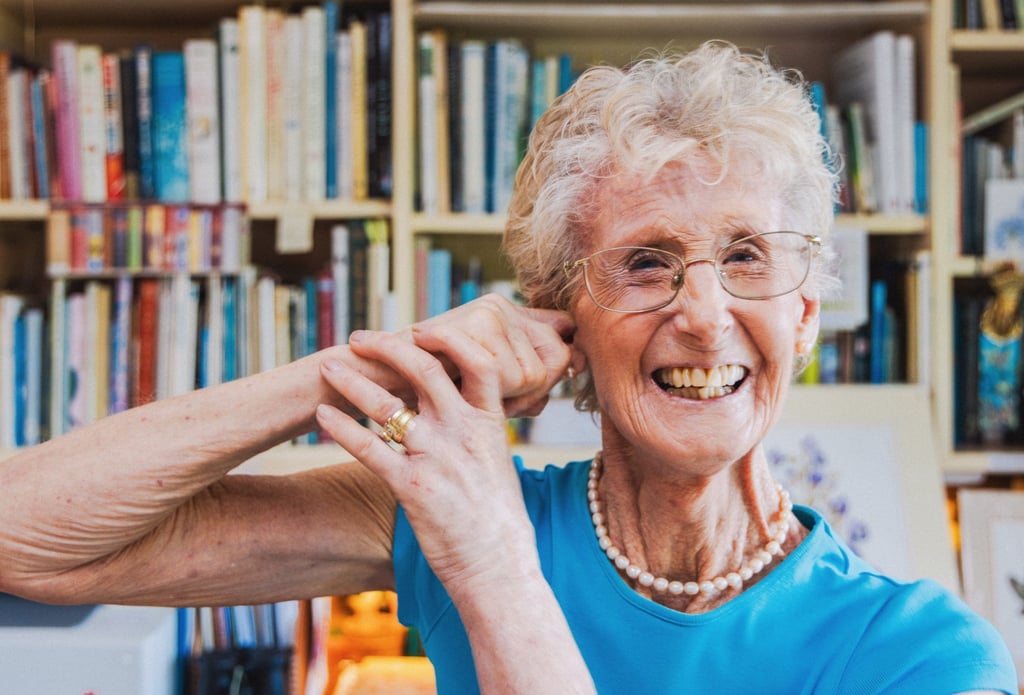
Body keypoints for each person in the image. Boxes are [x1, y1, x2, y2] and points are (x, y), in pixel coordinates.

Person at [0, 41, 1017, 694]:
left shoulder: (922, 653)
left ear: (803, 315)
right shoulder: (456, 507)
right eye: (646, 263)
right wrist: (356, 371)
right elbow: (26, 541)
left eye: (746, 256)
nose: (705, 317)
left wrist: (492, 564)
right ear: (563, 315)